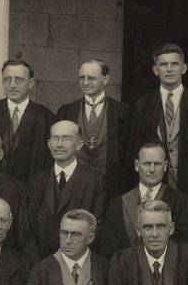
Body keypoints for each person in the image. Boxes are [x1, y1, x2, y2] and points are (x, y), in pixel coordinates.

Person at [129, 43, 188, 194]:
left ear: (184, 68)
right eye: (164, 64)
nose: (169, 69)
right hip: (154, 186)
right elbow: (135, 147)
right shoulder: (143, 104)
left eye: (174, 64)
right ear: (155, 70)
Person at [20, 120, 106, 262]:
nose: (59, 144)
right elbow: (27, 227)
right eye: (55, 138)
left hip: (78, 263)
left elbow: (97, 225)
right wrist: (37, 263)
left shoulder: (95, 181)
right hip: (39, 263)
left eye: (66, 138)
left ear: (78, 145)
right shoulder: (35, 181)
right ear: (49, 144)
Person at [100, 141, 188, 256]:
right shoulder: (117, 204)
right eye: (147, 164)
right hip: (126, 270)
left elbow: (183, 242)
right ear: (137, 165)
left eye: (157, 164)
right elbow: (109, 247)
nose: (152, 169)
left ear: (165, 166)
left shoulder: (180, 201)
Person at [56, 59, 133, 196]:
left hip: (111, 185)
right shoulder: (67, 111)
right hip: (75, 185)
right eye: (82, 78)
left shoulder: (122, 111)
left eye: (91, 78)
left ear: (105, 80)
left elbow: (128, 153)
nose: (85, 83)